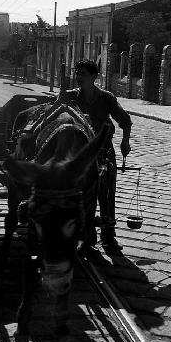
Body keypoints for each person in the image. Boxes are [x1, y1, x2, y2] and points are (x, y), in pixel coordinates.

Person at [69, 59, 132, 254]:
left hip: (104, 152)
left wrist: (125, 142)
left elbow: (125, 121)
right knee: (83, 195)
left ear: (94, 77)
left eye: (83, 74)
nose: (78, 78)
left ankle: (108, 237)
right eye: (77, 73)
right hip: (80, 155)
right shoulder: (71, 98)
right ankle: (86, 236)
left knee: (106, 195)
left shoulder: (107, 98)